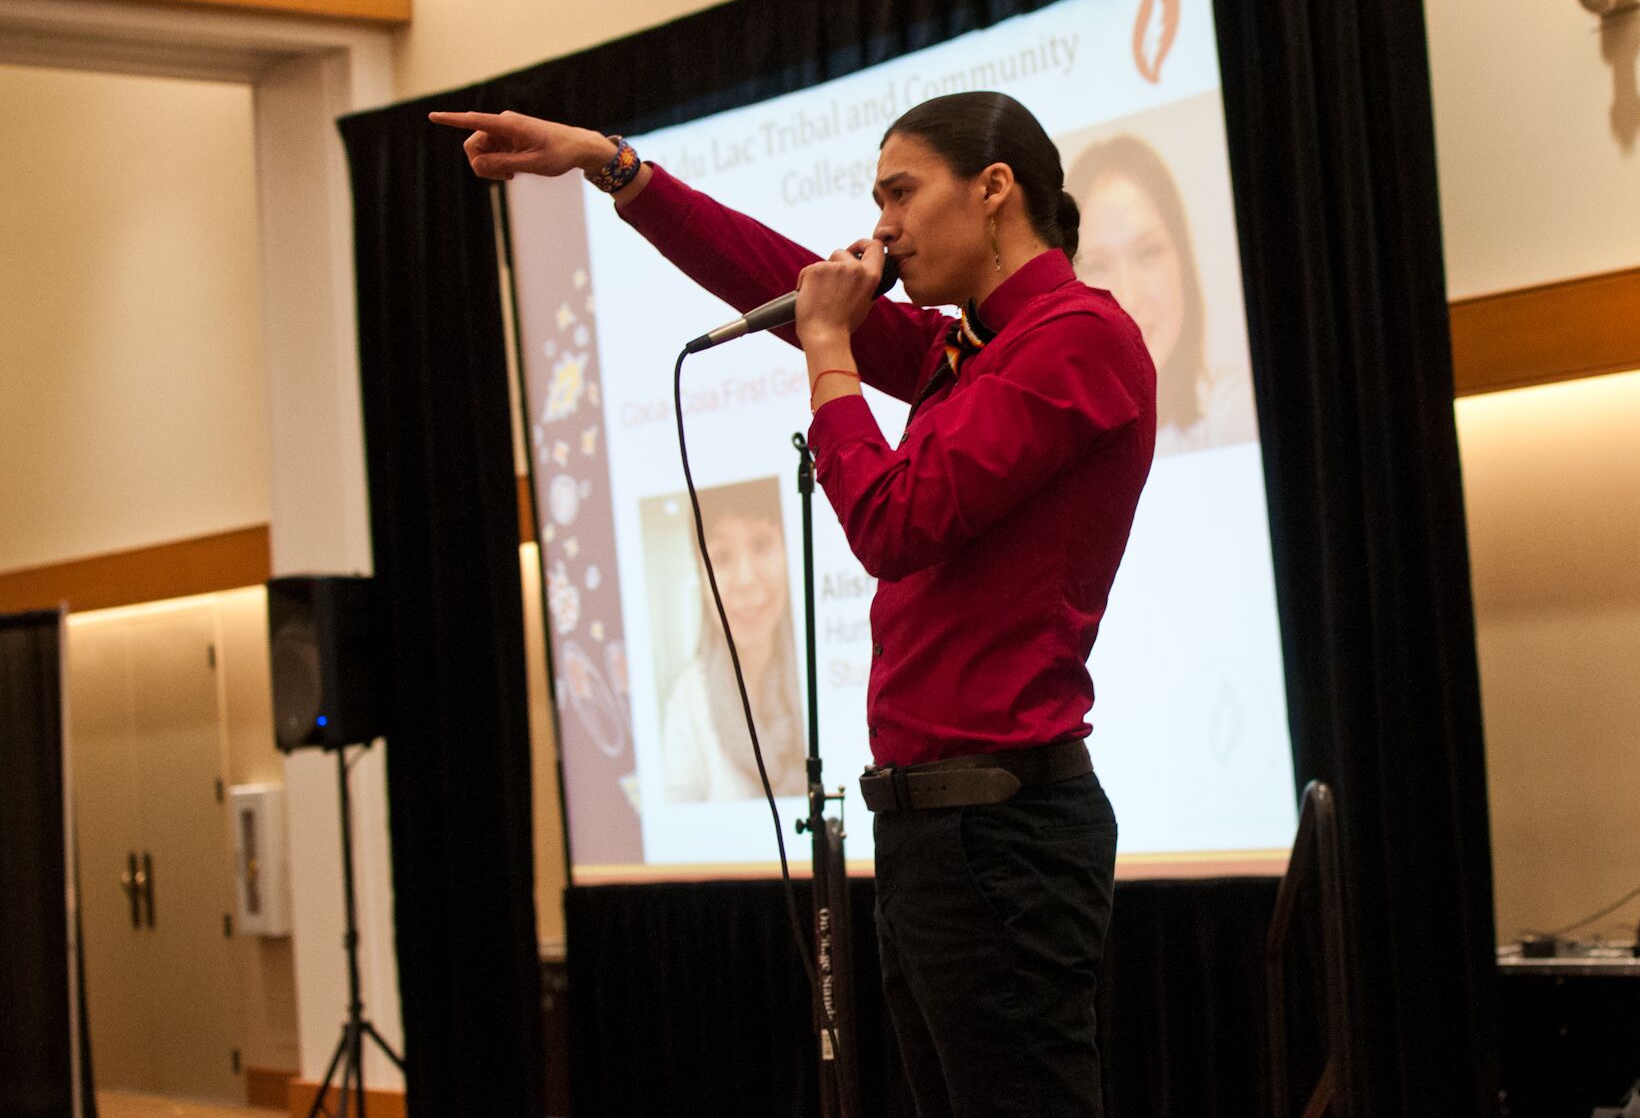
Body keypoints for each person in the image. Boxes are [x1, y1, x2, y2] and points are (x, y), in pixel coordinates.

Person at [432, 91, 1157, 1118]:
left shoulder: (1075, 336)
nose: (882, 229)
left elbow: (894, 524)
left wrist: (830, 353)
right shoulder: (965, 348)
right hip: (936, 831)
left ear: (994, 188)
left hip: (1002, 831)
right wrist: (612, 165)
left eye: (899, 194)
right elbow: (772, 269)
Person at [1066, 133, 1257, 456]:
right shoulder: (1052, 446)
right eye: (1098, 266)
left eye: (1148, 253)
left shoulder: (1237, 416)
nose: (1129, 297)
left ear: (1182, 260)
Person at [653, 479, 805, 802]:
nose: (746, 580)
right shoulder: (687, 702)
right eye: (721, 558)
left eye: (761, 545)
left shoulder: (826, 670)